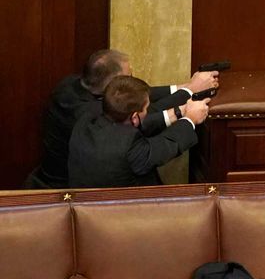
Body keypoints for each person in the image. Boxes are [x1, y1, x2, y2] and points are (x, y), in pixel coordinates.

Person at [26, 49, 219, 189]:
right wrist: (190, 118)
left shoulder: (81, 100)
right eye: (129, 77)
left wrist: (184, 92)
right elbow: (166, 144)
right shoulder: (96, 121)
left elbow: (136, 104)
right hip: (75, 194)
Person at [68, 74, 210, 188]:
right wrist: (190, 119)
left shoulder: (86, 118)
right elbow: (167, 145)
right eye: (146, 109)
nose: (148, 112)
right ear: (135, 117)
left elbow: (135, 125)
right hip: (125, 215)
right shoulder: (129, 145)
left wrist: (178, 112)